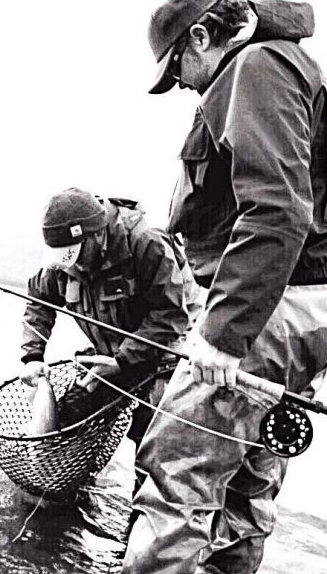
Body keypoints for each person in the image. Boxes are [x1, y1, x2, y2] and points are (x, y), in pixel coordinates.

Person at [101, 0, 327, 574]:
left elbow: (277, 212)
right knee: (251, 467)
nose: (186, 90)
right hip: (319, 303)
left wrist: (225, 333)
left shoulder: (250, 68)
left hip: (266, 311)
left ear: (200, 39)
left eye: (179, 73)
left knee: (177, 465)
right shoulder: (302, 69)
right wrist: (320, 252)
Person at [19, 187, 200, 470]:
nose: (72, 264)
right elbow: (38, 300)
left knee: (154, 445)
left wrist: (122, 361)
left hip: (167, 354)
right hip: (110, 356)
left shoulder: (146, 242)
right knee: (69, 419)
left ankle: (147, 505)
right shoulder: (63, 265)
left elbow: (171, 316)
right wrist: (33, 356)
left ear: (96, 234)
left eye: (75, 254)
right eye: (65, 257)